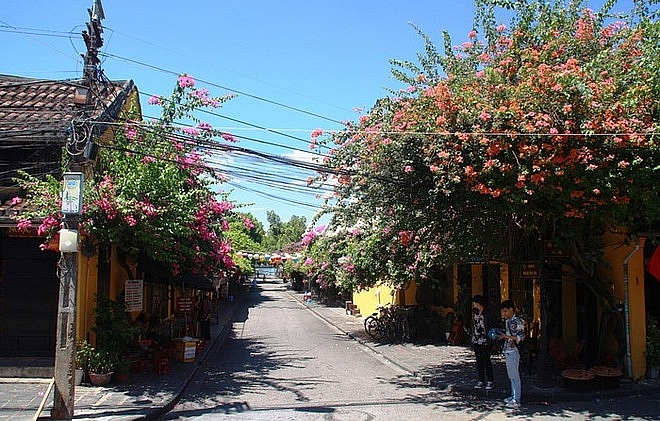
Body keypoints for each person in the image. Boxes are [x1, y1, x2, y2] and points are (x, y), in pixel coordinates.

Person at [499, 299, 525, 409]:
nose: (504, 314)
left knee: (515, 376)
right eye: (503, 312)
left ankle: (516, 399)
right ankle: (513, 396)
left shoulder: (517, 321)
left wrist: (506, 337)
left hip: (514, 351)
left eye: (505, 311)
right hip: (508, 350)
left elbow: (520, 337)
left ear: (511, 310)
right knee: (511, 376)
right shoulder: (508, 321)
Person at [471, 295, 495, 390]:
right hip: (477, 339)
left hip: (485, 339)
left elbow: (491, 324)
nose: (473, 305)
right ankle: (481, 380)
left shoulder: (487, 313)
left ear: (478, 303)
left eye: (474, 303)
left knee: (486, 360)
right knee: (479, 361)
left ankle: (490, 380)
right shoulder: (475, 313)